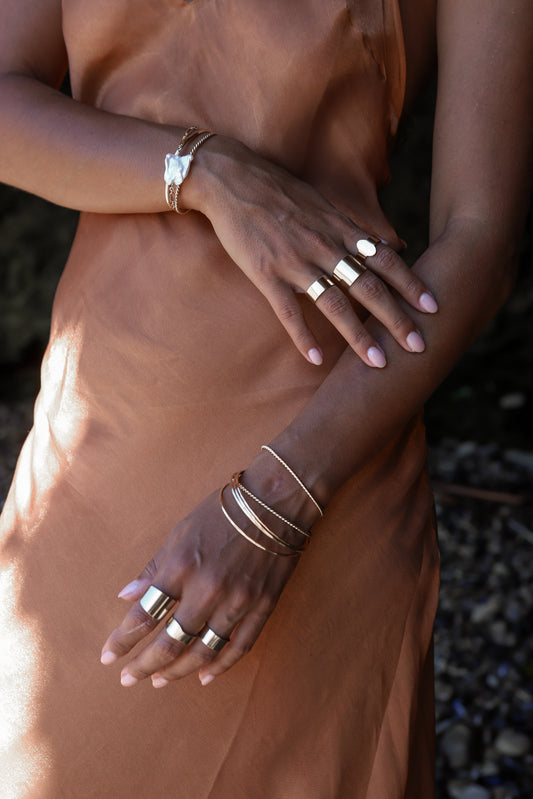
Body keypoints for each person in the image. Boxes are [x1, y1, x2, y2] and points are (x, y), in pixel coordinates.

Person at [0, 0, 531, 797]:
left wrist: (279, 498)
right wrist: (205, 170)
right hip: (93, 440)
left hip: (318, 452)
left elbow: (480, 240)